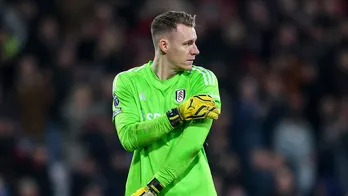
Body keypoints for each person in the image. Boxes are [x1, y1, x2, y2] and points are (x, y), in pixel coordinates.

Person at [112, 11, 221, 196]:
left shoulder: (202, 80)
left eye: (195, 42)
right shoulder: (127, 81)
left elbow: (191, 144)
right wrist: (177, 116)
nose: (196, 50)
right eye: (188, 44)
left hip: (191, 191)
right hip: (140, 190)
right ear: (164, 45)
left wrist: (154, 187)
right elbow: (129, 138)